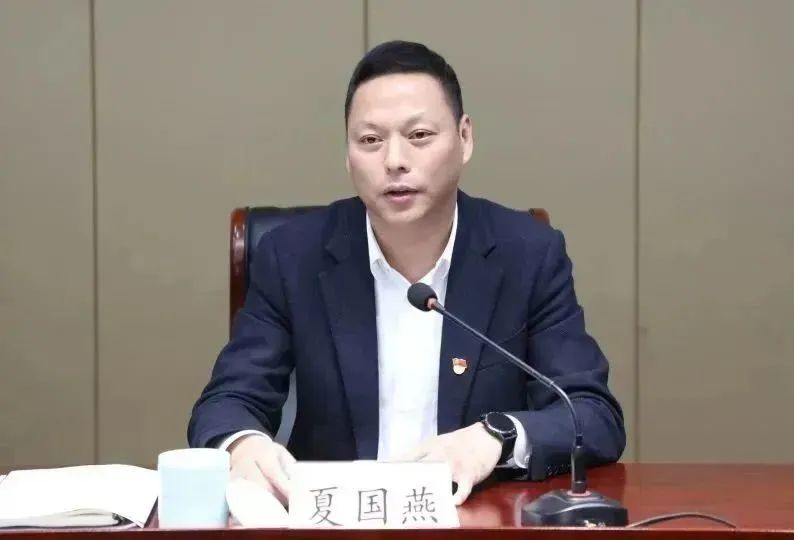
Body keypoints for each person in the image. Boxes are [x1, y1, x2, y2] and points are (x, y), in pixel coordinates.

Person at [188, 40, 625, 506]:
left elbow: (592, 415)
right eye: (370, 141)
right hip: (335, 520)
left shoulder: (527, 255)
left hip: (475, 517)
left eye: (418, 135)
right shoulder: (292, 256)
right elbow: (226, 402)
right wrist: (242, 445)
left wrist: (496, 436)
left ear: (464, 138)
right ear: (348, 153)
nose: (394, 161)